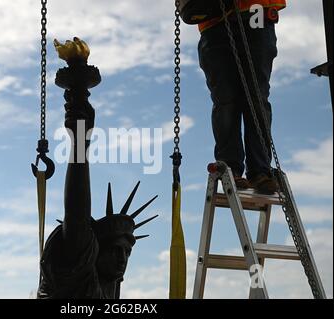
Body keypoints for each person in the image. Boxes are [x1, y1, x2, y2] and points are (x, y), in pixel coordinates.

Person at [37, 38, 157, 299]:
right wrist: (80, 141)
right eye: (116, 249)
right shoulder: (77, 266)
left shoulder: (109, 288)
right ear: (93, 249)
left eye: (126, 251)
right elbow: (78, 212)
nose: (122, 258)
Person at [182, 0, 286, 194]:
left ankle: (259, 171)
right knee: (226, 101)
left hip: (255, 13)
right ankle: (230, 169)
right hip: (214, 20)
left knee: (255, 98)